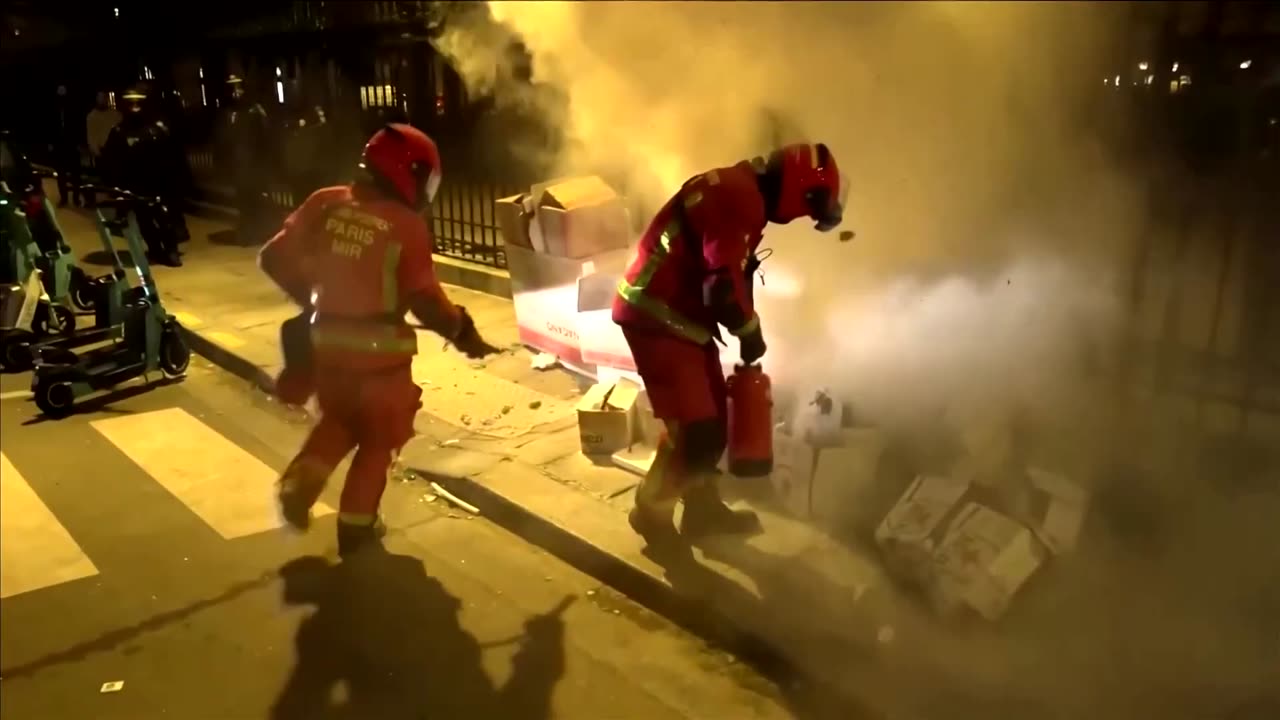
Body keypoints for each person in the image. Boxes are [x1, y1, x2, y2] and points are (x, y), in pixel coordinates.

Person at [260, 123, 500, 556]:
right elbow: (426, 301)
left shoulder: (327, 202)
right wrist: (463, 333)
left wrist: (314, 299)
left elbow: (273, 256)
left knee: (339, 420)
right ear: (408, 172)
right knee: (378, 438)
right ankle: (357, 527)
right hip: (380, 360)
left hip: (327, 348)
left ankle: (300, 484)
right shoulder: (405, 225)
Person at [612, 142, 849, 550]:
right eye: (809, 207)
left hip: (679, 318)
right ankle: (651, 514)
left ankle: (702, 511)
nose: (801, 217)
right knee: (698, 432)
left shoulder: (740, 187)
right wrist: (749, 331)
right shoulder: (741, 201)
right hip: (659, 316)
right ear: (799, 191)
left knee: (708, 424)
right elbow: (722, 288)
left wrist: (743, 321)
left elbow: (728, 272)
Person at [98, 87, 185, 267]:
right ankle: (154, 249)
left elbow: (173, 156)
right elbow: (111, 159)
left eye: (138, 103)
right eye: (131, 103)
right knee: (145, 222)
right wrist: (116, 187)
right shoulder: (119, 132)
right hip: (135, 185)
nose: (135, 107)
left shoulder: (157, 129)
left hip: (160, 184)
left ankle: (171, 250)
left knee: (165, 218)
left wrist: (175, 181)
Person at [215, 75, 272, 243]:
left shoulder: (255, 110)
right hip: (238, 165)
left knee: (256, 200)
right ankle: (246, 232)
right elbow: (223, 140)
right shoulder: (228, 112)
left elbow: (265, 138)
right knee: (243, 201)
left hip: (254, 165)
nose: (236, 92)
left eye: (239, 88)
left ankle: (257, 231)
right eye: (232, 88)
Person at [52, 85, 87, 208]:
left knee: (75, 174)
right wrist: (51, 143)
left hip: (72, 145)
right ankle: (64, 198)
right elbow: (50, 126)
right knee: (61, 175)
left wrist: (80, 143)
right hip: (59, 146)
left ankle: (76, 198)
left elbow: (80, 126)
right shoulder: (54, 107)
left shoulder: (73, 107)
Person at [85, 91, 122, 198]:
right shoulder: (92, 116)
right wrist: (96, 150)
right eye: (100, 98)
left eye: (104, 98)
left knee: (117, 177)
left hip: (116, 149)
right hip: (103, 150)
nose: (102, 100)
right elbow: (91, 135)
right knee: (107, 177)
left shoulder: (116, 114)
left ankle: (116, 197)